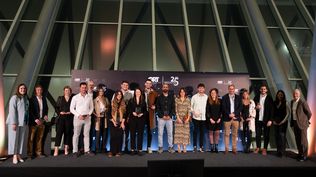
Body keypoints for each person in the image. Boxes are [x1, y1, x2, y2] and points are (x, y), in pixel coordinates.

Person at [6, 84, 29, 164]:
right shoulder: (14, 98)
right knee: (14, 140)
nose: (23, 89)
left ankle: (18, 154)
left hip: (23, 122)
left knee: (21, 139)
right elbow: (12, 111)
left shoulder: (26, 98)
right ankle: (14, 155)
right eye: (21, 88)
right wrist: (13, 123)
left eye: (24, 88)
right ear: (18, 89)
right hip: (15, 122)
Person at [70, 82, 94, 157]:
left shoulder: (89, 97)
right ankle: (75, 151)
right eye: (82, 87)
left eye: (85, 87)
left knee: (86, 135)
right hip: (78, 118)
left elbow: (92, 108)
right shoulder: (75, 97)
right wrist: (78, 115)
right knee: (76, 135)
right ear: (80, 88)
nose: (84, 89)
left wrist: (88, 114)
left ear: (86, 88)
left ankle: (87, 150)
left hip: (87, 118)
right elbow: (71, 109)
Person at [290, 89, 312, 161]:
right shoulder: (292, 102)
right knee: (298, 139)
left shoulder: (303, 102)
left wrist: (305, 121)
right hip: (295, 123)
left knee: (303, 141)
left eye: (296, 93)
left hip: (302, 124)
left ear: (299, 94)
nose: (295, 95)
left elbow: (309, 113)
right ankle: (300, 154)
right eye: (294, 93)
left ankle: (305, 156)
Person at [28, 84, 48, 159]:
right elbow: (30, 110)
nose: (39, 91)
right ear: (35, 91)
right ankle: (30, 154)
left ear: (42, 91)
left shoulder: (44, 98)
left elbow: (46, 108)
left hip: (42, 121)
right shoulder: (32, 99)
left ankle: (38, 153)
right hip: (34, 122)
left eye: (40, 90)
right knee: (31, 138)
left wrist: (45, 115)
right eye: (37, 90)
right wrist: (35, 119)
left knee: (39, 138)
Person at [112, 81, 133, 153]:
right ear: (121, 85)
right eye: (124, 85)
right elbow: (113, 105)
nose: (125, 86)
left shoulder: (130, 94)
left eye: (127, 85)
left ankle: (126, 148)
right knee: (118, 134)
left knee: (127, 132)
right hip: (117, 117)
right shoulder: (117, 93)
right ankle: (118, 149)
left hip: (127, 116)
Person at [221, 84, 242, 154]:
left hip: (236, 118)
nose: (231, 90)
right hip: (227, 118)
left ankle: (234, 148)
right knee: (226, 134)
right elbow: (223, 108)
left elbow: (240, 107)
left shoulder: (238, 97)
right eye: (230, 89)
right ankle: (226, 149)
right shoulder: (224, 97)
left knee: (234, 134)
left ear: (234, 89)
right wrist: (229, 114)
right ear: (228, 89)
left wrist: (234, 114)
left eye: (232, 89)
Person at [253, 85, 274, 156]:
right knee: (258, 134)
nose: (263, 90)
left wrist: (270, 120)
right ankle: (258, 147)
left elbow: (272, 110)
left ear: (266, 90)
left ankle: (265, 149)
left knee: (266, 135)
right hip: (258, 119)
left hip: (266, 120)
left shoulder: (269, 98)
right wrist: (256, 107)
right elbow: (252, 107)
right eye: (262, 89)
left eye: (264, 89)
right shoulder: (256, 97)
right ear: (260, 90)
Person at [54, 86, 74, 156]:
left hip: (69, 118)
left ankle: (66, 148)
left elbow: (74, 107)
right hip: (61, 118)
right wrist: (60, 112)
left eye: (68, 90)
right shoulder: (60, 98)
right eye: (66, 90)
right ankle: (56, 149)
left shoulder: (72, 98)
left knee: (67, 133)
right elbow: (56, 108)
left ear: (70, 92)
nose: (67, 92)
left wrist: (71, 112)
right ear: (64, 91)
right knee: (59, 133)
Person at [156, 83, 175, 154]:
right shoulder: (159, 97)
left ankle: (170, 147)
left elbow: (173, 108)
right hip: (161, 118)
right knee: (160, 134)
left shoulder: (171, 97)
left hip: (169, 118)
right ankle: (160, 147)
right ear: (162, 88)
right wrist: (162, 116)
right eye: (164, 87)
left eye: (166, 87)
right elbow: (157, 108)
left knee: (170, 133)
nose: (165, 88)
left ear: (168, 88)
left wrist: (170, 115)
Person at [128, 88, 147, 155]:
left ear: (141, 93)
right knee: (132, 134)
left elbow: (145, 111)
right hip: (133, 119)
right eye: (136, 92)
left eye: (139, 92)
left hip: (141, 119)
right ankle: (132, 149)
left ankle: (139, 150)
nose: (138, 93)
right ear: (135, 93)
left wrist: (142, 114)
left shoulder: (143, 101)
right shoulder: (131, 100)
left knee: (140, 135)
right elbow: (128, 110)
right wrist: (132, 112)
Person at [191, 83, 208, 152]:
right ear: (198, 89)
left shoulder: (206, 97)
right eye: (200, 88)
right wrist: (194, 112)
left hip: (204, 118)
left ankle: (201, 146)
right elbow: (190, 107)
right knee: (195, 132)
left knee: (202, 132)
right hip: (195, 118)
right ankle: (194, 146)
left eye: (202, 88)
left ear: (204, 89)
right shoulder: (194, 97)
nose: (201, 89)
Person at [109, 90, 126, 157]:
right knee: (113, 137)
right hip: (113, 122)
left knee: (120, 137)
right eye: (118, 94)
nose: (119, 95)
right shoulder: (112, 103)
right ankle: (111, 151)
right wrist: (113, 122)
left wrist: (122, 123)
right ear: (116, 95)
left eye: (120, 94)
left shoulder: (124, 103)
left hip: (121, 122)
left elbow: (125, 114)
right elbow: (108, 114)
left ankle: (118, 151)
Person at [273, 90, 290, 157]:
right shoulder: (274, 103)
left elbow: (288, 113)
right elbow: (273, 112)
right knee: (277, 137)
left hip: (283, 123)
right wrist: (273, 120)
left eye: (281, 94)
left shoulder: (286, 103)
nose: (280, 95)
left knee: (282, 137)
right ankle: (278, 151)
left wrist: (283, 121)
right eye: (279, 94)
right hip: (275, 122)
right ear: (277, 95)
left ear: (283, 95)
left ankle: (282, 152)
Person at [93, 86, 110, 153]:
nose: (101, 92)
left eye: (102, 91)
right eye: (100, 91)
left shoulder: (106, 99)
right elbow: (92, 110)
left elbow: (108, 107)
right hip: (98, 118)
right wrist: (96, 114)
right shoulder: (95, 100)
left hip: (105, 118)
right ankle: (97, 148)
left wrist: (106, 109)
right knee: (98, 133)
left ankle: (103, 147)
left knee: (104, 133)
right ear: (98, 92)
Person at [143, 79, 158, 154]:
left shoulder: (154, 93)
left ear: (151, 85)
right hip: (141, 114)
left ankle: (149, 147)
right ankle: (139, 148)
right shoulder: (141, 92)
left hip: (150, 114)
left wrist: (155, 106)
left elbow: (158, 103)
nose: (148, 85)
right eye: (147, 83)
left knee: (149, 132)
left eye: (150, 83)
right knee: (140, 131)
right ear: (145, 84)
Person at [174, 88, 191, 153]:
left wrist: (188, 118)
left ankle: (184, 147)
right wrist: (178, 118)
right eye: (181, 92)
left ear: (185, 93)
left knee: (185, 133)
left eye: (183, 92)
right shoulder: (177, 99)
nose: (182, 93)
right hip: (178, 119)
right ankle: (178, 147)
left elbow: (189, 110)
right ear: (179, 93)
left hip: (186, 119)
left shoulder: (188, 100)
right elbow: (175, 109)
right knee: (178, 134)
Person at [206, 88, 222, 153]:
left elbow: (221, 111)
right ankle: (212, 147)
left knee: (217, 133)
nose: (213, 94)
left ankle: (216, 147)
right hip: (211, 120)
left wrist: (220, 118)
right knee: (211, 133)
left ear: (216, 93)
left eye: (214, 93)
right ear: (210, 94)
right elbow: (207, 111)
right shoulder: (208, 100)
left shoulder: (220, 100)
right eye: (212, 93)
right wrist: (210, 118)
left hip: (218, 119)